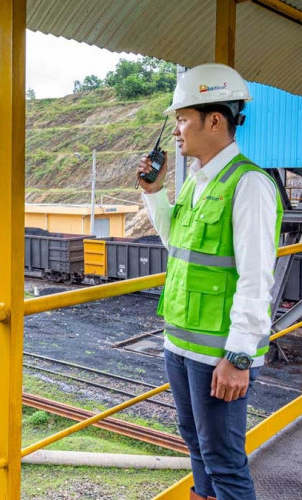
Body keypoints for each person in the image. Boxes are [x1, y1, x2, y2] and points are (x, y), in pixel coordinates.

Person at [137, 63, 283, 500]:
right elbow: (176, 243)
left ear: (214, 120)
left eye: (182, 118)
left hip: (219, 353)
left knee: (224, 460)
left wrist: (239, 357)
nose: (176, 130)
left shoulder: (249, 184)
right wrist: (154, 191)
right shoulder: (199, 181)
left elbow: (258, 277)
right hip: (181, 346)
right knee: (197, 448)